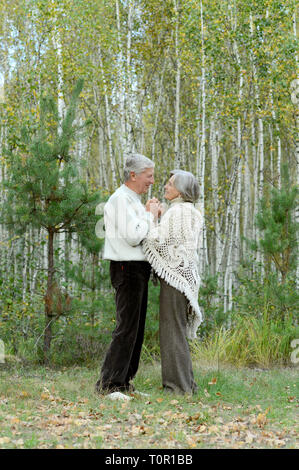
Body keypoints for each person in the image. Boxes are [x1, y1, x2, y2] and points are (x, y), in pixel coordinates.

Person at [95, 153, 159, 398]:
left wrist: (147, 215)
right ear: (133, 175)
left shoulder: (133, 200)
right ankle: (109, 384)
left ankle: (125, 382)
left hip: (138, 268)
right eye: (148, 176)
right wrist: (150, 215)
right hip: (126, 267)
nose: (152, 181)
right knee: (126, 328)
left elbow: (142, 230)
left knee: (137, 329)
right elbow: (134, 236)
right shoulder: (119, 200)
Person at [142, 170, 203, 395]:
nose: (165, 187)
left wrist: (150, 216)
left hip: (176, 278)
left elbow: (156, 240)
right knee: (175, 330)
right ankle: (187, 385)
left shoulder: (180, 212)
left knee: (171, 331)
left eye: (170, 184)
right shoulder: (186, 211)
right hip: (181, 277)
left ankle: (177, 388)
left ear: (181, 189)